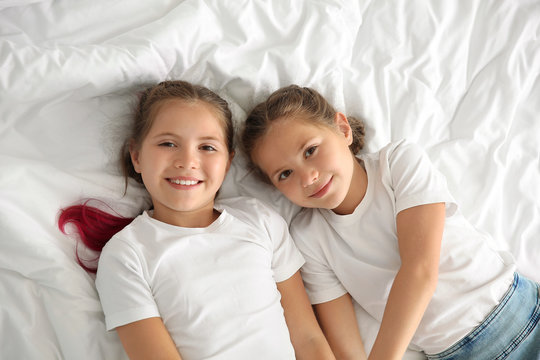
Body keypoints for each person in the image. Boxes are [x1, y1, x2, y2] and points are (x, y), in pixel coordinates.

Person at [240, 84, 540, 360]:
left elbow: (420, 271)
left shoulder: (396, 164)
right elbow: (346, 346)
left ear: (342, 129)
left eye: (310, 151)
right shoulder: (308, 238)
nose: (307, 177)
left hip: (521, 316)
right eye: (285, 174)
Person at [58, 80, 335, 360]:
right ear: (137, 156)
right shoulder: (126, 255)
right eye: (168, 143)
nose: (187, 161)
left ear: (228, 162)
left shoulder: (260, 220)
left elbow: (309, 340)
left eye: (207, 147)